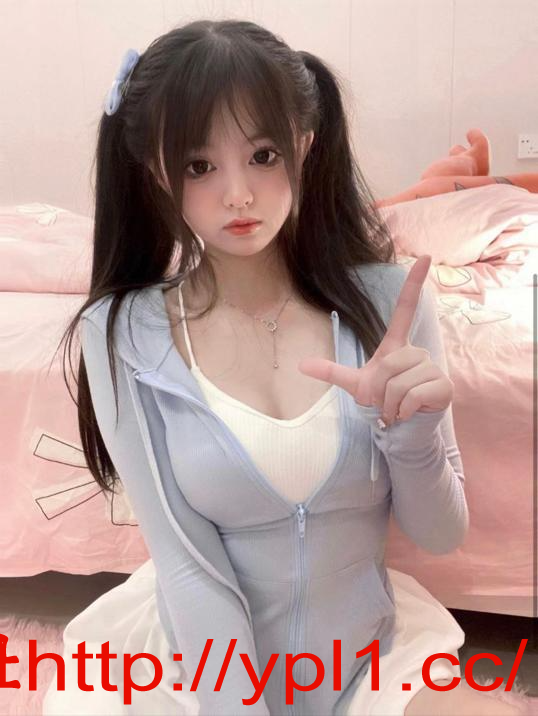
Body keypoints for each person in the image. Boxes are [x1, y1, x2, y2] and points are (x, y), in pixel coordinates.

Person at [42, 18, 536, 716]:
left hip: (366, 657)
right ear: (157, 172)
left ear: (304, 145)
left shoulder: (389, 303)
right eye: (199, 166)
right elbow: (187, 567)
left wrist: (412, 433)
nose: (238, 194)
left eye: (263, 155)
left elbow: (440, 534)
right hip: (200, 668)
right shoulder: (123, 331)